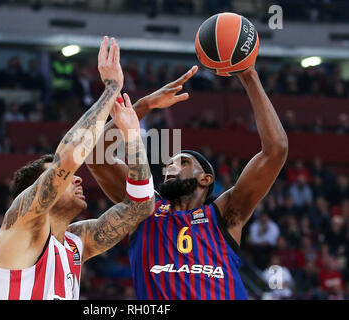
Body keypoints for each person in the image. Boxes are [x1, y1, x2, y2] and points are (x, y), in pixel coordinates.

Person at [87, 65, 288, 300]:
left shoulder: (226, 213)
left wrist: (249, 75)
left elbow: (276, 150)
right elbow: (96, 157)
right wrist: (143, 107)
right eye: (168, 164)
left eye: (182, 162)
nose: (170, 167)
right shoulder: (143, 208)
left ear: (206, 179)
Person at [0, 36, 155, 300]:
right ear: (36, 191)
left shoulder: (76, 242)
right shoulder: (22, 224)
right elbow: (72, 156)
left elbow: (141, 207)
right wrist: (111, 88)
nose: (76, 180)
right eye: (65, 178)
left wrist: (131, 135)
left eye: (73, 177)